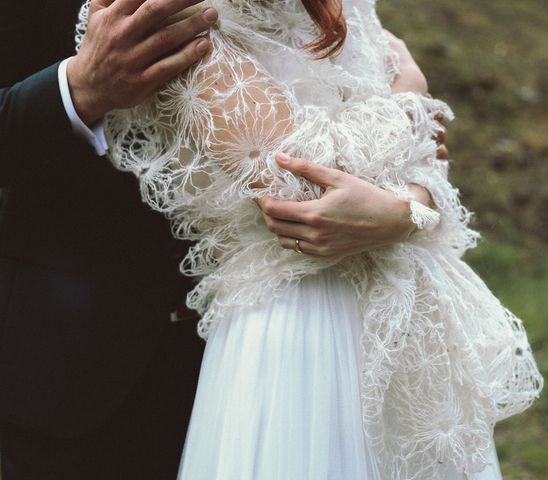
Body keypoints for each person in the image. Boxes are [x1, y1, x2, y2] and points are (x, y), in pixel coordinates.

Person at [84, 0, 543, 479]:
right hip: (297, 326)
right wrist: (411, 98)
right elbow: (299, 183)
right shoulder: (173, 14)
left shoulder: (349, 5)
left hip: (407, 318)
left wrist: (404, 210)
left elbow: (430, 160)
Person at [0, 0, 449, 478]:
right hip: (82, 354)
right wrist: (77, 89)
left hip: (318, 342)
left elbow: (416, 154)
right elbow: (304, 179)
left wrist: (409, 208)